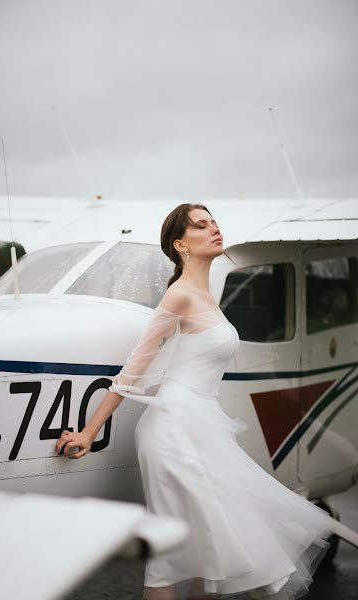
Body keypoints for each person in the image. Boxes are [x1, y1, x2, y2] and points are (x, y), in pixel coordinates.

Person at [55, 204, 335, 600]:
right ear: (181, 244)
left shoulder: (204, 295)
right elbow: (136, 365)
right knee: (167, 561)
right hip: (173, 432)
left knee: (211, 557)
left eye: (214, 222)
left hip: (201, 426)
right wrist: (89, 431)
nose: (215, 229)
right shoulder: (181, 295)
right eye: (202, 226)